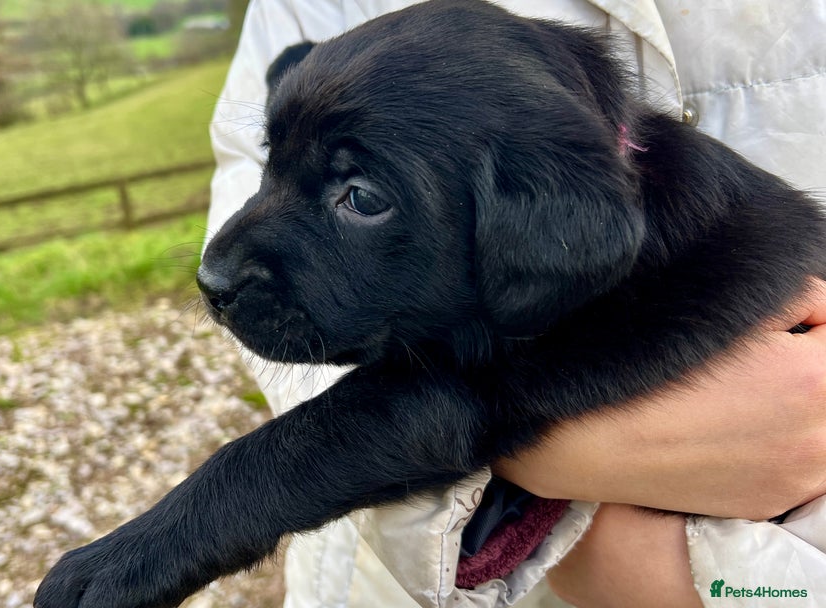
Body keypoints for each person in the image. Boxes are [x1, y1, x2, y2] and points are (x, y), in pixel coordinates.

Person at [206, 1, 826, 606]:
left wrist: (727, 582)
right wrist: (556, 470)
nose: (217, 266)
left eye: (362, 196)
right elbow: (254, 138)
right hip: (394, 570)